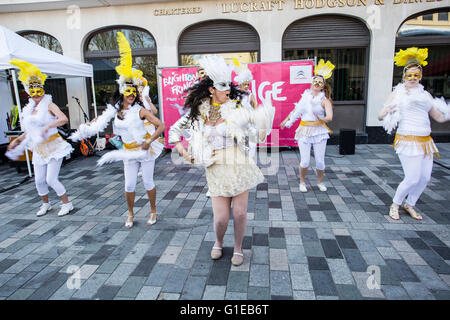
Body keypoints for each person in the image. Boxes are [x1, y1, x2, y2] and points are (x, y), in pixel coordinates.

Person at [168, 55, 275, 266]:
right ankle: (218, 241)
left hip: (238, 163)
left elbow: (254, 134)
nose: (228, 89)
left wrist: (263, 127)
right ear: (211, 89)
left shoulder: (236, 109)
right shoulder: (199, 112)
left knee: (240, 212)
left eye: (229, 86)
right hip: (215, 166)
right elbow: (174, 131)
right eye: (222, 85)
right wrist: (182, 150)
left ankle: (237, 247)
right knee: (221, 218)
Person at [70, 32, 165, 228]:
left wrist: (149, 140)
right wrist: (91, 125)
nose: (131, 94)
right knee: (129, 185)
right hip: (128, 151)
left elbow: (161, 125)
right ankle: (130, 213)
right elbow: (101, 122)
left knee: (148, 182)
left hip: (145, 150)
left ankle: (153, 210)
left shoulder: (141, 111)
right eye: (127, 91)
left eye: (133, 91)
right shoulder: (113, 111)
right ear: (121, 91)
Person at [378, 47, 450, 221]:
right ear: (404, 77)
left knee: (424, 178)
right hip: (407, 140)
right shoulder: (398, 93)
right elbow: (380, 116)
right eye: (409, 75)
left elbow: (438, 117)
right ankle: (395, 204)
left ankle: (410, 204)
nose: (412, 78)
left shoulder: (425, 94)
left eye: (415, 75)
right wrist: (387, 110)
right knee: (412, 178)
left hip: (425, 141)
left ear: (420, 76)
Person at [6, 59, 74, 217]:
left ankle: (67, 203)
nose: (36, 94)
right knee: (39, 180)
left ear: (43, 90)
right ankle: (46, 204)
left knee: (51, 179)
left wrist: (48, 126)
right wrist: (17, 140)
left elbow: (63, 119)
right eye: (33, 91)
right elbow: (29, 131)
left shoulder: (49, 105)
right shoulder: (29, 109)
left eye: (39, 91)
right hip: (38, 148)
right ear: (29, 92)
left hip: (54, 147)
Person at [280, 59, 334, 193]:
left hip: (319, 131)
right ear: (311, 83)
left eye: (319, 82)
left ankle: (320, 182)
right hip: (304, 131)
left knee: (320, 162)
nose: (316, 84)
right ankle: (302, 182)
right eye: (314, 81)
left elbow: (330, 117)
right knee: (305, 161)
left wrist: (321, 117)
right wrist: (287, 120)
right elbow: (296, 111)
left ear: (322, 86)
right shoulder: (305, 97)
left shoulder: (324, 100)